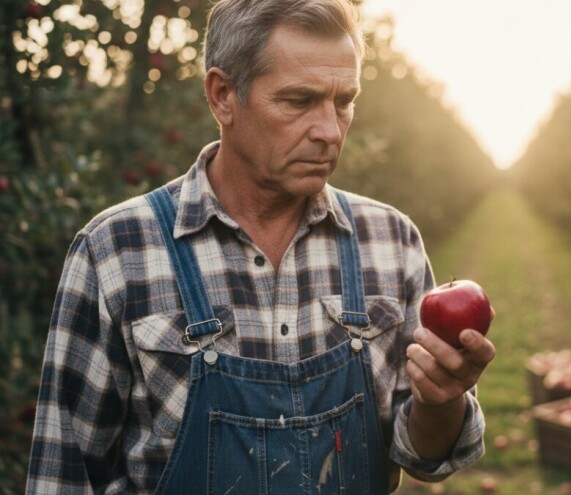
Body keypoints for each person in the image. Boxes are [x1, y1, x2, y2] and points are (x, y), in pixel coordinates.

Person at [26, 0, 496, 492]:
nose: (330, 131)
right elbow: (63, 475)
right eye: (298, 101)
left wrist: (441, 401)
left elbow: (422, 455)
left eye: (343, 101)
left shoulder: (391, 241)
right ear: (223, 95)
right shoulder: (115, 252)